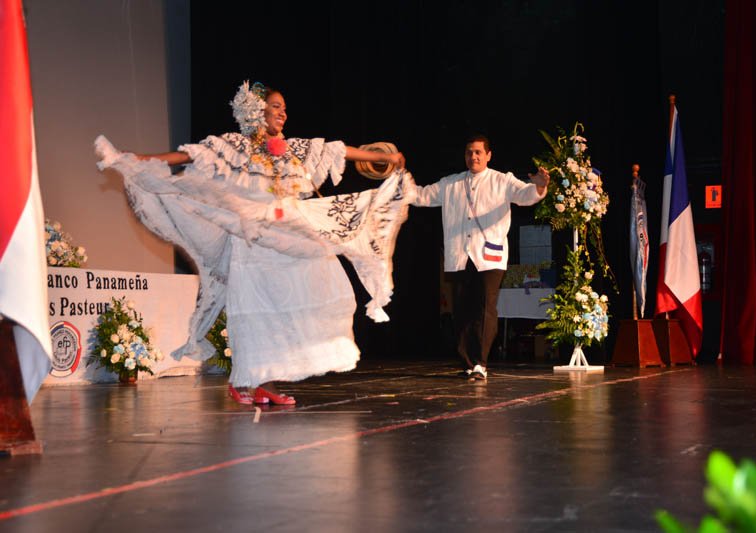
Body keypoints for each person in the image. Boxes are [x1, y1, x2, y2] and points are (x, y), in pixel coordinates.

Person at [95, 81, 411, 405]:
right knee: (258, 311)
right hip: (252, 239)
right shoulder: (236, 147)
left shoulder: (293, 149)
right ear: (257, 112)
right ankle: (248, 381)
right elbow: (190, 155)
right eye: (276, 107)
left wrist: (380, 156)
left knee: (313, 286)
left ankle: (265, 383)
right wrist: (139, 159)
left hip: (287, 231)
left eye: (284, 108)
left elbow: (339, 150)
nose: (283, 113)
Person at [411, 135, 549, 381]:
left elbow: (525, 195)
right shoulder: (450, 183)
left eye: (478, 152)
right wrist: (397, 182)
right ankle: (467, 361)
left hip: (489, 257)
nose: (473, 156)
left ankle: (480, 363)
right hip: (459, 256)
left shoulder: (501, 180)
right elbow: (421, 196)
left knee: (485, 309)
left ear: (488, 155)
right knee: (462, 311)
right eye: (469, 152)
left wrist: (538, 186)